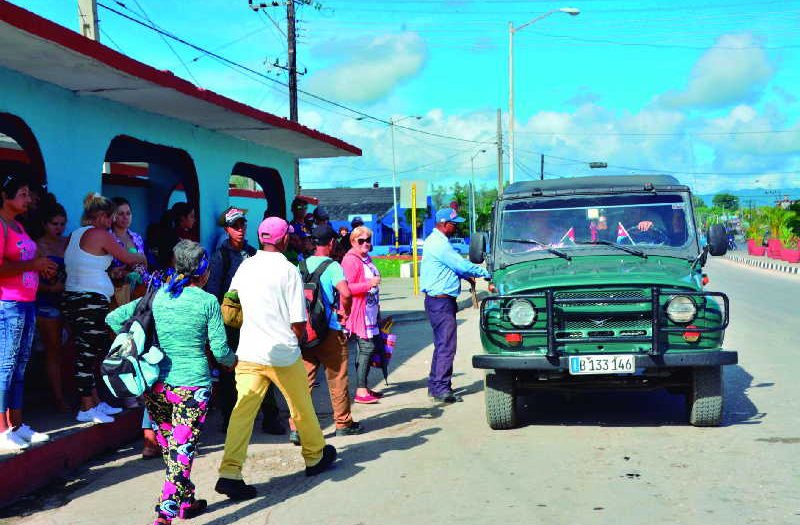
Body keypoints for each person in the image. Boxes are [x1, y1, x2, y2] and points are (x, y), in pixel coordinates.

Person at [107, 240, 235, 525]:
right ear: (203, 271)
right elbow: (220, 351)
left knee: (173, 450)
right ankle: (164, 515)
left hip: (157, 386)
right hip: (192, 387)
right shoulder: (207, 302)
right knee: (181, 453)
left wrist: (139, 346)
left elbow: (113, 318)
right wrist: (232, 361)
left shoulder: (158, 296)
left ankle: (186, 501)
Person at [216, 217, 336, 501]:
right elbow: (298, 320)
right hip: (282, 353)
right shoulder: (288, 270)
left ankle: (230, 473)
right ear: (283, 240)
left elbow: (232, 300)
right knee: (300, 406)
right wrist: (299, 339)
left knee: (242, 412)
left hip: (249, 351)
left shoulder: (245, 265)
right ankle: (315, 455)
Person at [62, 192, 147, 424]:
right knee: (87, 355)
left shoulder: (73, 235)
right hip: (89, 301)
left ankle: (95, 402)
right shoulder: (99, 234)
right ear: (101, 216)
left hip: (74, 298)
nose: (111, 223)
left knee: (88, 351)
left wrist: (112, 274)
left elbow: (83, 266)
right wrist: (142, 258)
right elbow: (128, 258)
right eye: (110, 217)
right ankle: (86, 406)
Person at [205, 206, 284, 436]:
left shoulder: (252, 252)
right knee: (230, 372)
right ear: (227, 229)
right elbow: (214, 293)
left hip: (257, 321)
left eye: (242, 225)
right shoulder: (220, 257)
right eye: (235, 226)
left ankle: (270, 417)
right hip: (231, 324)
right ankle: (229, 418)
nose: (240, 229)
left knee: (264, 366)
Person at [0, 174, 58, 450]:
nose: (27, 199)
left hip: (26, 302)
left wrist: (41, 266)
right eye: (21, 194)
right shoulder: (1, 227)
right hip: (8, 304)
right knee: (6, 366)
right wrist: (32, 266)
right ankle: (2, 430)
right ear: (4, 196)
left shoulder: (19, 226)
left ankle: (17, 424)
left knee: (21, 365)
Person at [288, 223, 359, 444]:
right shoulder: (333, 266)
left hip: (305, 331)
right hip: (329, 331)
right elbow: (346, 293)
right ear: (330, 243)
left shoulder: (300, 266)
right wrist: (344, 313)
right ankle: (342, 423)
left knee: (303, 381)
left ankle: (296, 427)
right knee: (337, 377)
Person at [420, 208, 490, 404]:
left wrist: (465, 276)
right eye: (454, 223)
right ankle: (441, 388)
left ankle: (436, 385)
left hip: (438, 301)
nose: (456, 226)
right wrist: (485, 273)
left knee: (441, 344)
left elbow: (452, 269)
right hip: (441, 302)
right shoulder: (440, 245)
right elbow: (461, 265)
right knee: (446, 346)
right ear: (443, 223)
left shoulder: (436, 241)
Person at [342, 225, 384, 404]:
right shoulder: (351, 260)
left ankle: (364, 387)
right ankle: (360, 390)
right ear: (353, 241)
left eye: (368, 240)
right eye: (361, 240)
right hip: (359, 313)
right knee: (366, 348)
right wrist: (369, 284)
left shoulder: (366, 258)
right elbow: (347, 288)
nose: (366, 243)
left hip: (371, 311)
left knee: (369, 348)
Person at [35, 201, 70, 413]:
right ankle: (58, 398)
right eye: (54, 224)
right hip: (47, 303)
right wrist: (50, 289)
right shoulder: (37, 246)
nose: (59, 228)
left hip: (67, 301)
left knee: (65, 350)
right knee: (53, 351)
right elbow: (29, 279)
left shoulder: (67, 243)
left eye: (62, 224)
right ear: (44, 224)